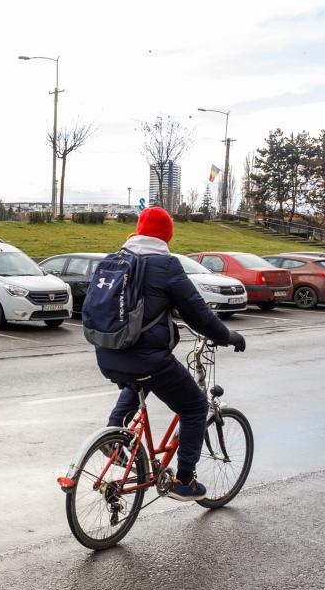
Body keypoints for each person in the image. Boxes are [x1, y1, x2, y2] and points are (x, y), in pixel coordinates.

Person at [95, 207, 246, 501]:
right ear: (167, 235)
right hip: (146, 358)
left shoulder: (117, 260)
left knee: (142, 379)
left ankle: (113, 434)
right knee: (194, 406)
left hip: (107, 352)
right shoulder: (166, 266)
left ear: (139, 230)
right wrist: (227, 336)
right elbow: (198, 313)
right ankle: (184, 480)